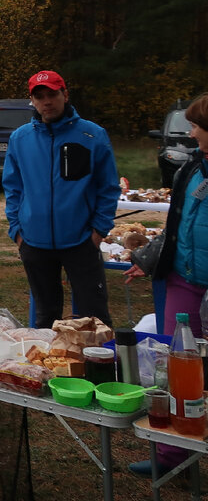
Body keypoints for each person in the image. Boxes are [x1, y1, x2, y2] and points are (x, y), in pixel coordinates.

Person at [123, 92, 208, 477]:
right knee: (178, 368)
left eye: (195, 125)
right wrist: (148, 259)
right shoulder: (192, 167)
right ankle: (174, 457)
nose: (190, 132)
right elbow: (175, 224)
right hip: (183, 281)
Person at [3, 70, 118, 329]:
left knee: (95, 318)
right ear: (32, 101)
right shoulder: (20, 138)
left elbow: (108, 187)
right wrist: (17, 231)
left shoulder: (92, 135)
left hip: (80, 241)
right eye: (39, 96)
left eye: (52, 94)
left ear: (65, 95)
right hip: (34, 241)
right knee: (45, 317)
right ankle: (48, 368)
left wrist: (99, 230)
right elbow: (13, 187)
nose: (47, 102)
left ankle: (97, 367)